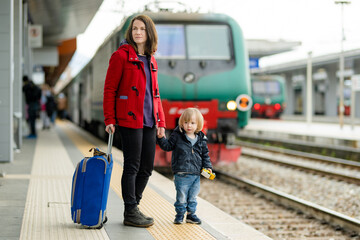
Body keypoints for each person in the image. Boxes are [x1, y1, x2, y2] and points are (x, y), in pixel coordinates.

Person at [103, 14, 166, 228]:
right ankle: (130, 209)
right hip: (129, 119)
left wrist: (162, 121)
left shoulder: (151, 59)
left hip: (149, 120)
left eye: (142, 29)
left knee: (147, 167)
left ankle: (134, 207)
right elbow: (110, 89)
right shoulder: (120, 56)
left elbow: (155, 94)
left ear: (149, 33)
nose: (137, 32)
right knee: (132, 166)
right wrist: (109, 118)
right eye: (135, 29)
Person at [156, 108, 213, 225]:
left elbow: (205, 155)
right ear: (181, 122)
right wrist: (161, 138)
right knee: (181, 197)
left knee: (193, 197)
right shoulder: (177, 136)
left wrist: (207, 167)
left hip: (196, 174)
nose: (189, 126)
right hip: (181, 174)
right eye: (186, 122)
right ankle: (180, 214)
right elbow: (167, 146)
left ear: (198, 124)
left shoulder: (201, 138)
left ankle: (191, 215)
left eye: (192, 123)